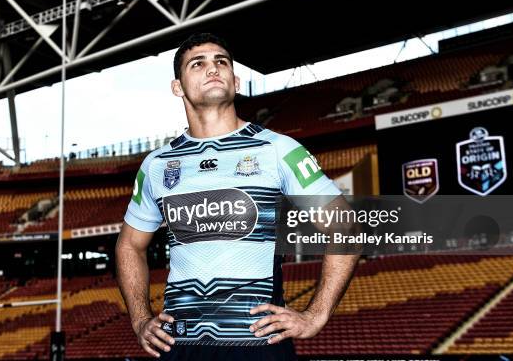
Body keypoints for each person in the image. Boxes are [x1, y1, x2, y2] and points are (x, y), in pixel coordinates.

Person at [117, 32, 359, 360]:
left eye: (221, 62)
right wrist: (140, 319)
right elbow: (130, 244)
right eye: (197, 64)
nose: (213, 69)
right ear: (178, 87)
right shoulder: (158, 165)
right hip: (180, 346)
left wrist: (315, 314)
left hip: (258, 344)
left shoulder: (278, 149)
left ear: (237, 80)